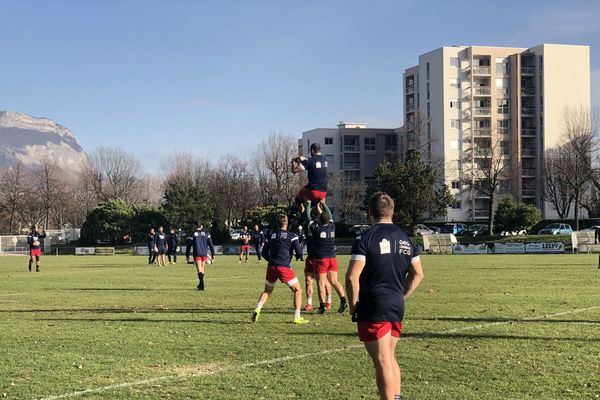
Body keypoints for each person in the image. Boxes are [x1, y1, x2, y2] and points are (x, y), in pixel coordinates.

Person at [345, 192, 424, 400]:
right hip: (396, 305)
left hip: (373, 306)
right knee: (389, 356)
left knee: (382, 360)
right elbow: (418, 274)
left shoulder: (365, 238)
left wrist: (353, 306)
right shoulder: (406, 238)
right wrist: (402, 295)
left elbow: (352, 277)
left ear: (370, 213)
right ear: (392, 211)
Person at [252, 214, 309, 325]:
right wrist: (297, 256)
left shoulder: (271, 235)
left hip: (271, 267)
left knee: (267, 291)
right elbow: (299, 252)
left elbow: (263, 253)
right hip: (284, 268)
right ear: (287, 223)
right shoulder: (292, 235)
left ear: (277, 223)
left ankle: (257, 309)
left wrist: (272, 260)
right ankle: (297, 317)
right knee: (298, 291)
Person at [309, 209, 347, 314]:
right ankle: (343, 300)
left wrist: (308, 205)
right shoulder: (332, 226)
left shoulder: (316, 228)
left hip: (321, 258)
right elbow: (328, 214)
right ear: (329, 219)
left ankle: (322, 307)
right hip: (332, 258)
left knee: (321, 283)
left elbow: (309, 217)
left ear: (320, 220)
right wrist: (322, 204)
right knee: (334, 281)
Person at [291, 143, 332, 222]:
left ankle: (306, 218)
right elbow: (315, 162)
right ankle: (329, 221)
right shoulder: (325, 159)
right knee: (318, 205)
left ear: (312, 150)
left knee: (298, 199)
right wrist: (304, 159)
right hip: (323, 192)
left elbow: (294, 171)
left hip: (313, 192)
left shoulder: (310, 161)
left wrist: (294, 162)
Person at [303, 215, 331, 312]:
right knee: (308, 281)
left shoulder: (318, 229)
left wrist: (308, 204)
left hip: (319, 258)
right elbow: (306, 216)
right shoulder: (309, 228)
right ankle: (309, 303)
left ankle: (328, 300)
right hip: (310, 258)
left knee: (324, 281)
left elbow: (308, 215)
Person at [186, 222, 215, 290]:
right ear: (202, 226)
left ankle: (202, 285)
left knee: (199, 268)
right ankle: (200, 284)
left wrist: (187, 255)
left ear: (196, 226)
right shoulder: (206, 233)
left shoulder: (193, 234)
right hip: (204, 253)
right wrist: (213, 254)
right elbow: (211, 244)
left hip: (197, 253)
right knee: (202, 268)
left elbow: (188, 246)